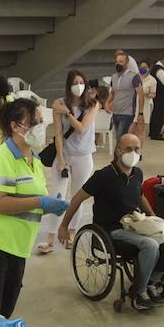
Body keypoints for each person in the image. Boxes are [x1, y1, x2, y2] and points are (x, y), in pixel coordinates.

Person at [0, 98, 69, 318]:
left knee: (4, 315)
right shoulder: (1, 157)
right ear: (14, 126)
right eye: (34, 122)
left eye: (42, 122)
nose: (40, 127)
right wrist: (40, 202)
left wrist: (50, 206)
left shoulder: (34, 160)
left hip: (17, 248)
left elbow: (25, 202)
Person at [58, 133, 164, 312]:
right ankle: (139, 292)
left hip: (135, 224)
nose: (133, 153)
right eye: (128, 149)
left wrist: (153, 217)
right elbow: (77, 199)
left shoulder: (137, 173)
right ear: (118, 150)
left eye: (136, 149)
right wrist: (64, 226)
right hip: (111, 230)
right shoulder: (103, 176)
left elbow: (140, 196)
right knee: (151, 245)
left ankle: (151, 282)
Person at [37, 69, 100, 255]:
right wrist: (60, 159)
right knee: (58, 195)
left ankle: (71, 233)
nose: (79, 86)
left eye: (82, 82)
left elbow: (81, 128)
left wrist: (68, 113)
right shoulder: (59, 103)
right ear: (69, 85)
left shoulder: (93, 104)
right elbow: (57, 134)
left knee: (77, 196)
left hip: (84, 156)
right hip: (64, 154)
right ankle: (50, 236)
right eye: (75, 82)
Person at [106, 50, 141, 138]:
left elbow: (141, 94)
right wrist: (107, 103)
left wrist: (140, 113)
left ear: (127, 62)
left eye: (121, 62)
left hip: (127, 113)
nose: (118, 64)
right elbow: (113, 92)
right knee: (119, 137)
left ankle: (119, 152)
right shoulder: (113, 77)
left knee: (120, 137)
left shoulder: (133, 77)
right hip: (115, 112)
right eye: (116, 62)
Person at [133, 59, 155, 140]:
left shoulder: (152, 80)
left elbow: (153, 94)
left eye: (145, 67)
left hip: (146, 104)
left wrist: (146, 94)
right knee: (134, 126)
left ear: (149, 68)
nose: (142, 69)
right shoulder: (135, 77)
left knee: (142, 127)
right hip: (135, 104)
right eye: (141, 67)